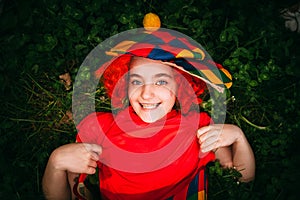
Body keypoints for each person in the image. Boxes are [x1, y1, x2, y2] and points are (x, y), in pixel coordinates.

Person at [42, 28, 255, 200]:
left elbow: (240, 178)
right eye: (136, 81)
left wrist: (238, 138)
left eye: (161, 81)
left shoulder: (197, 126)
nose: (146, 92)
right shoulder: (102, 126)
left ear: (180, 85)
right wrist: (56, 162)